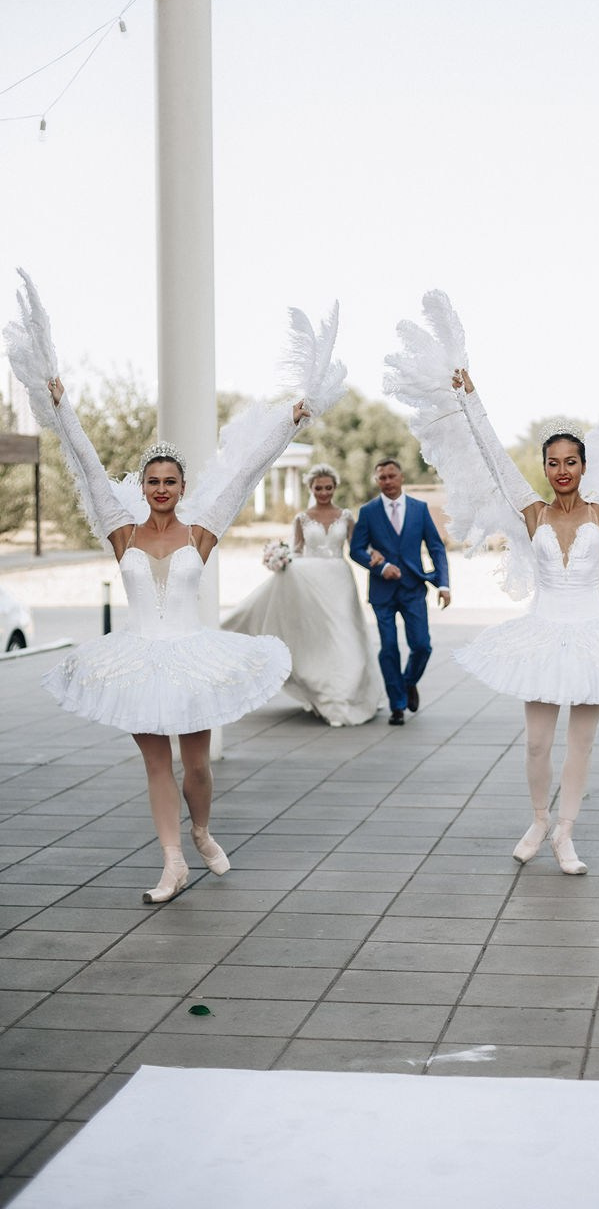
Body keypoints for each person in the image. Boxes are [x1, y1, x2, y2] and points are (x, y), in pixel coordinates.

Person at [3, 270, 346, 905]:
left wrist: (292, 419)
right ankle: (171, 862)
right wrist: (61, 405)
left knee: (196, 767)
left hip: (192, 656)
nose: (160, 489)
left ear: (181, 488)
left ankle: (203, 828)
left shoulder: (201, 532)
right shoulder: (121, 531)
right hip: (138, 656)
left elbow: (245, 469)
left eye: (170, 481)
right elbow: (80, 458)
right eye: (152, 480)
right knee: (154, 763)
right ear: (143, 485)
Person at [383, 290, 599, 874]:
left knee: (583, 742)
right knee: (537, 743)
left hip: (595, 633)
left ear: (584, 466)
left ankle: (566, 833)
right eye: (553, 462)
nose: (562, 470)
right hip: (543, 634)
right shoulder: (532, 513)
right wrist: (469, 399)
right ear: (545, 468)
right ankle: (539, 820)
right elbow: (493, 455)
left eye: (571, 461)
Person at [223, 463, 380, 725]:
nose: (323, 492)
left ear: (334, 488)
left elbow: (357, 548)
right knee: (320, 636)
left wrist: (374, 554)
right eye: (318, 488)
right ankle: (326, 690)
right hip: (309, 583)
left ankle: (348, 692)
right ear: (311, 488)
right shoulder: (302, 518)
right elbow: (296, 551)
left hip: (340, 580)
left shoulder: (346, 516)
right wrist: (280, 560)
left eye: (328, 487)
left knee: (346, 633)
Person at [349, 458, 450, 725]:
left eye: (392, 476)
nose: (388, 481)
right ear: (376, 480)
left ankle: (407, 683)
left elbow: (436, 547)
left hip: (413, 588)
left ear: (401, 477)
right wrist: (380, 568)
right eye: (382, 477)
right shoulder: (368, 511)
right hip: (382, 592)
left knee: (422, 645)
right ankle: (397, 705)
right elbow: (356, 549)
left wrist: (444, 584)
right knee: (389, 647)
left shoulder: (419, 509)